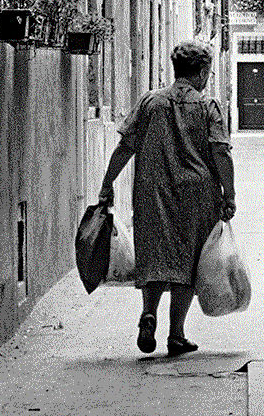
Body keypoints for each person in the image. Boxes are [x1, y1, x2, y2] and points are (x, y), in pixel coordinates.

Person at [99, 40, 236, 356]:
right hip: (197, 195)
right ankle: (176, 334)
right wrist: (229, 194)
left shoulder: (150, 102)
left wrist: (107, 184)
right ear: (202, 72)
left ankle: (149, 314)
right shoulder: (208, 107)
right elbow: (221, 153)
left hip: (152, 192)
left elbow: (125, 147)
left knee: (156, 255)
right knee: (189, 261)